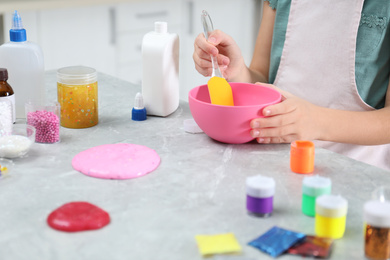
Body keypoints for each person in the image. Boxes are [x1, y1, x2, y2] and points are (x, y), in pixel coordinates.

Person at [193, 0, 390, 171]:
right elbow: (261, 77)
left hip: (357, 169)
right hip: (275, 159)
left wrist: (315, 121)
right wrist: (237, 71)